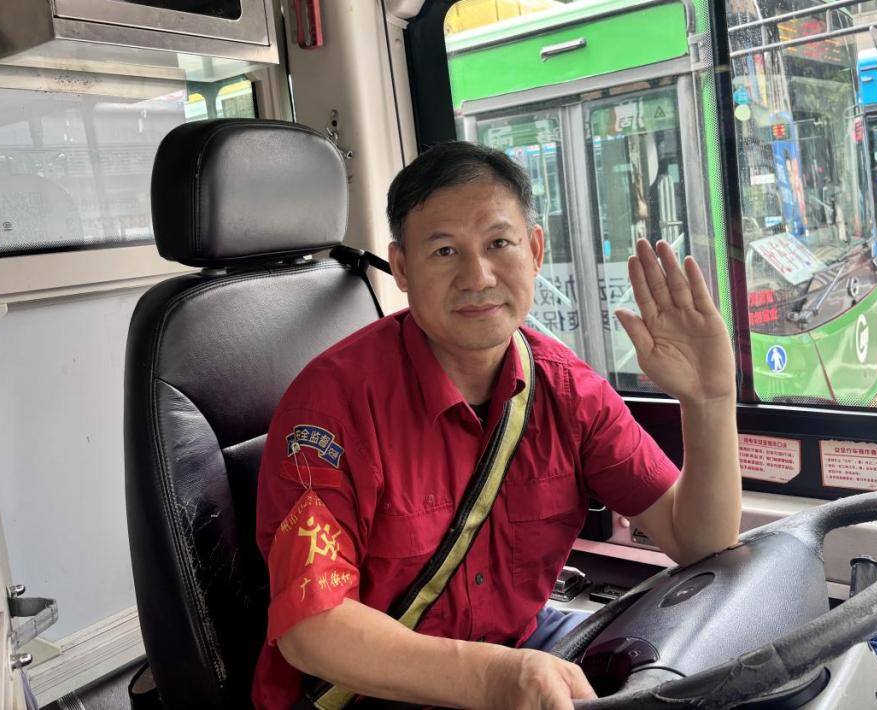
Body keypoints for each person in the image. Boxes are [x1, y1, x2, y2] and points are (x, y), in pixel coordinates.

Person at [252, 141, 742, 710]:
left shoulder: (569, 391)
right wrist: (494, 679)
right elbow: (312, 627)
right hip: (369, 693)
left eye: (498, 244)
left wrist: (710, 399)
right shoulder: (331, 407)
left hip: (520, 652)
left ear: (534, 250)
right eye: (444, 251)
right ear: (403, 268)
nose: (478, 276)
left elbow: (697, 541)